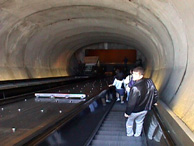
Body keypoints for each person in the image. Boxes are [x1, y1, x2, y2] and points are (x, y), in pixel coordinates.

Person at [124, 67, 158, 137]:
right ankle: (137, 134)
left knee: (129, 123)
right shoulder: (149, 81)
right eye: (133, 74)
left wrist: (127, 113)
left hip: (135, 111)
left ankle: (130, 134)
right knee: (139, 122)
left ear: (141, 76)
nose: (133, 76)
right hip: (145, 109)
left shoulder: (135, 88)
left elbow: (131, 103)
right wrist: (154, 101)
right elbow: (155, 92)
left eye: (136, 75)